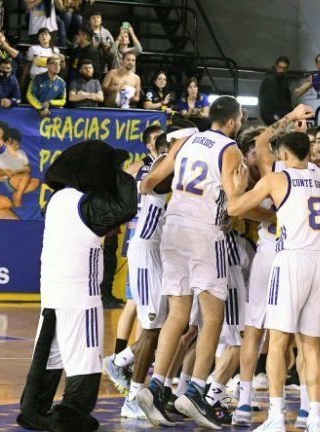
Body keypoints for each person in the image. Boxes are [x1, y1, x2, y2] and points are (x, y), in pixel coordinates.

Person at [136, 96, 268, 429]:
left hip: (173, 226)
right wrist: (264, 207)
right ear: (234, 121)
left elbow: (148, 183)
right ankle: (195, 391)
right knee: (213, 316)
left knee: (177, 314)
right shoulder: (230, 149)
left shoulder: (185, 141)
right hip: (205, 232)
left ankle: (156, 385)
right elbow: (235, 205)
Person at [16, 140, 137, 432]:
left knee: (49, 353)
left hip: (52, 291)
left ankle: (33, 409)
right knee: (85, 358)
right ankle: (70, 415)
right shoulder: (86, 203)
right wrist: (122, 175)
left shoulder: (57, 199)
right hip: (81, 293)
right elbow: (126, 207)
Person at [227, 129, 320, 432]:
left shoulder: (278, 178)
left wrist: (237, 188)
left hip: (291, 260)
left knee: (277, 341)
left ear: (285, 154)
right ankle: (314, 417)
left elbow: (234, 208)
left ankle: (275, 417)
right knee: (311, 346)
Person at [102, 130, 175, 419]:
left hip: (156, 250)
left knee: (161, 325)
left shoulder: (157, 167)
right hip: (145, 251)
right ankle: (132, 398)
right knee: (152, 328)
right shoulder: (161, 169)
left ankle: (118, 361)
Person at [0, 128, 40, 208]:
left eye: (17, 144)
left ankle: (17, 193)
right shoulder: (2, 157)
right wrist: (5, 175)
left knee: (36, 182)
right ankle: (17, 198)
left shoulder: (21, 153)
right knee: (26, 177)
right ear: (5, 143)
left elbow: (28, 168)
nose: (14, 147)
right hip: (10, 181)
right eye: (11, 144)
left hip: (22, 179)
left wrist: (23, 170)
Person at [259, 56, 293, 124]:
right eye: (280, 67)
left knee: (295, 116)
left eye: (284, 68)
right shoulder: (270, 80)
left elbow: (287, 97)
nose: (281, 70)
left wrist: (292, 109)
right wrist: (291, 108)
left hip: (279, 110)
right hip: (269, 113)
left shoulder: (284, 79)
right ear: (276, 66)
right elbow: (273, 103)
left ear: (287, 68)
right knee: (293, 118)